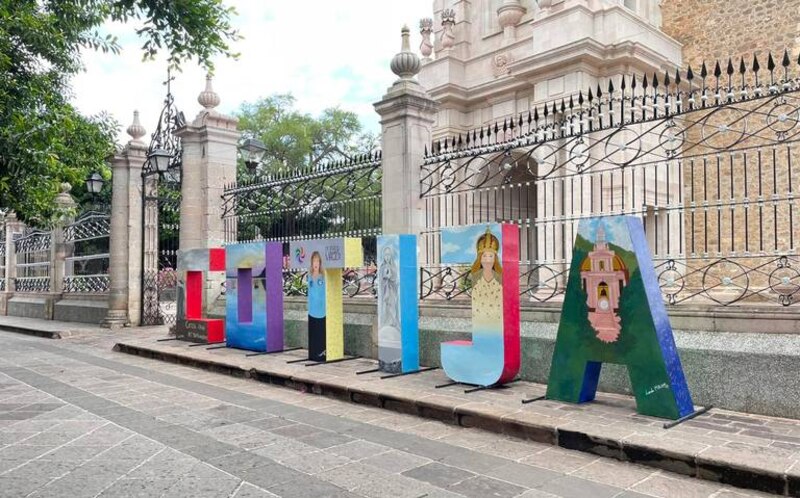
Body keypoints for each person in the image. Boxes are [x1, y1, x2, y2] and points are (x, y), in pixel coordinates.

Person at [469, 227, 503, 328]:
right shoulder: (476, 276)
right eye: (484, 256)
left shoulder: (499, 277)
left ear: (495, 259)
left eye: (490, 256)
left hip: (496, 322)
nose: (487, 260)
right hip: (480, 322)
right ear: (480, 258)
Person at [307, 251, 326, 361]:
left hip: (321, 311)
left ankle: (321, 353)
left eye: (317, 261)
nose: (316, 263)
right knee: (313, 335)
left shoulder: (323, 276)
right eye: (314, 260)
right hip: (311, 311)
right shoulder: (309, 276)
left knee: (320, 334)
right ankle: (313, 353)